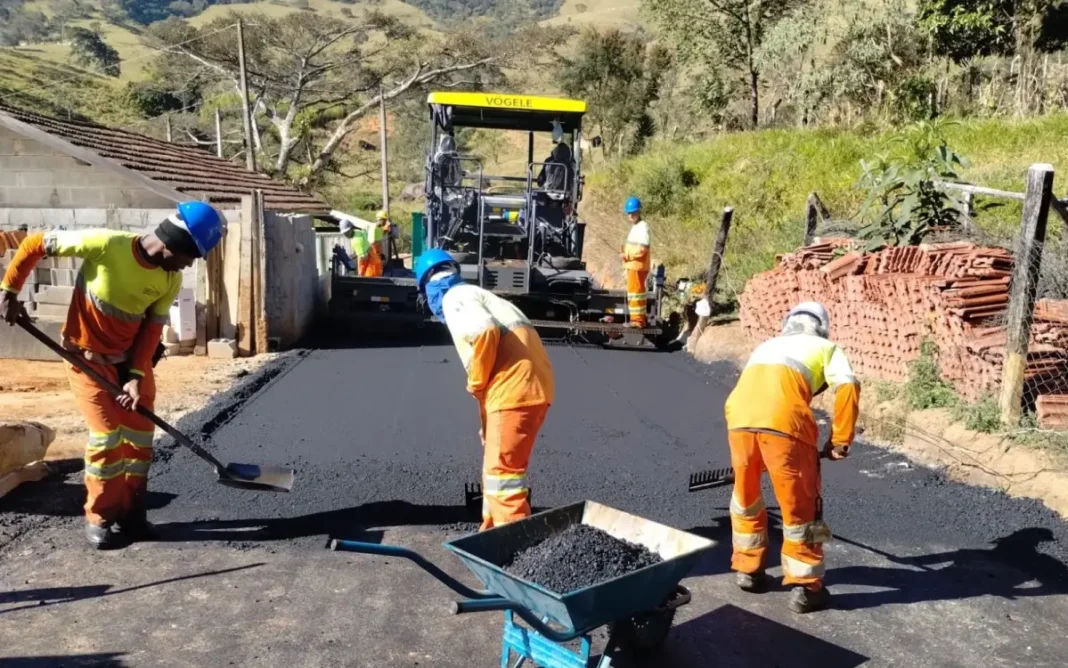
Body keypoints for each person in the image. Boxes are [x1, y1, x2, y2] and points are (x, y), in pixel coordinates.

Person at [0, 202, 226, 549]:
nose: (190, 263)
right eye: (191, 255)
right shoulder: (107, 245)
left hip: (130, 362)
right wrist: (11, 291)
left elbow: (151, 331)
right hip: (86, 360)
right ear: (172, 243)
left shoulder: (170, 278)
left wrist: (135, 375)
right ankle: (101, 516)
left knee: (138, 439)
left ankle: (132, 514)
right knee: (107, 438)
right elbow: (34, 245)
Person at [723, 301, 860, 613]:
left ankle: (749, 570)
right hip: (785, 424)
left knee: (746, 499)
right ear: (821, 327)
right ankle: (808, 589)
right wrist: (840, 440)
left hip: (739, 419)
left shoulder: (767, 345)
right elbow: (848, 386)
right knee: (800, 507)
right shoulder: (826, 347)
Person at [415, 249, 554, 531]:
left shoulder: (456, 297)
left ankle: (513, 544)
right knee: (500, 471)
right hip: (531, 388)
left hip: (513, 391)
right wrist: (486, 419)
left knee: (503, 476)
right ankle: (490, 530)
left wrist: (475, 382)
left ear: (429, 284)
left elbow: (484, 331)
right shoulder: (484, 296)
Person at [620, 196, 650, 328]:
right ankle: (641, 319)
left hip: (637, 266)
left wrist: (626, 255)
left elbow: (642, 250)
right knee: (637, 293)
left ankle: (637, 320)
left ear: (639, 212)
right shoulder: (636, 227)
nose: (631, 215)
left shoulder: (642, 227)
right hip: (634, 266)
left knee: (635, 294)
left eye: (633, 212)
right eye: (629, 213)